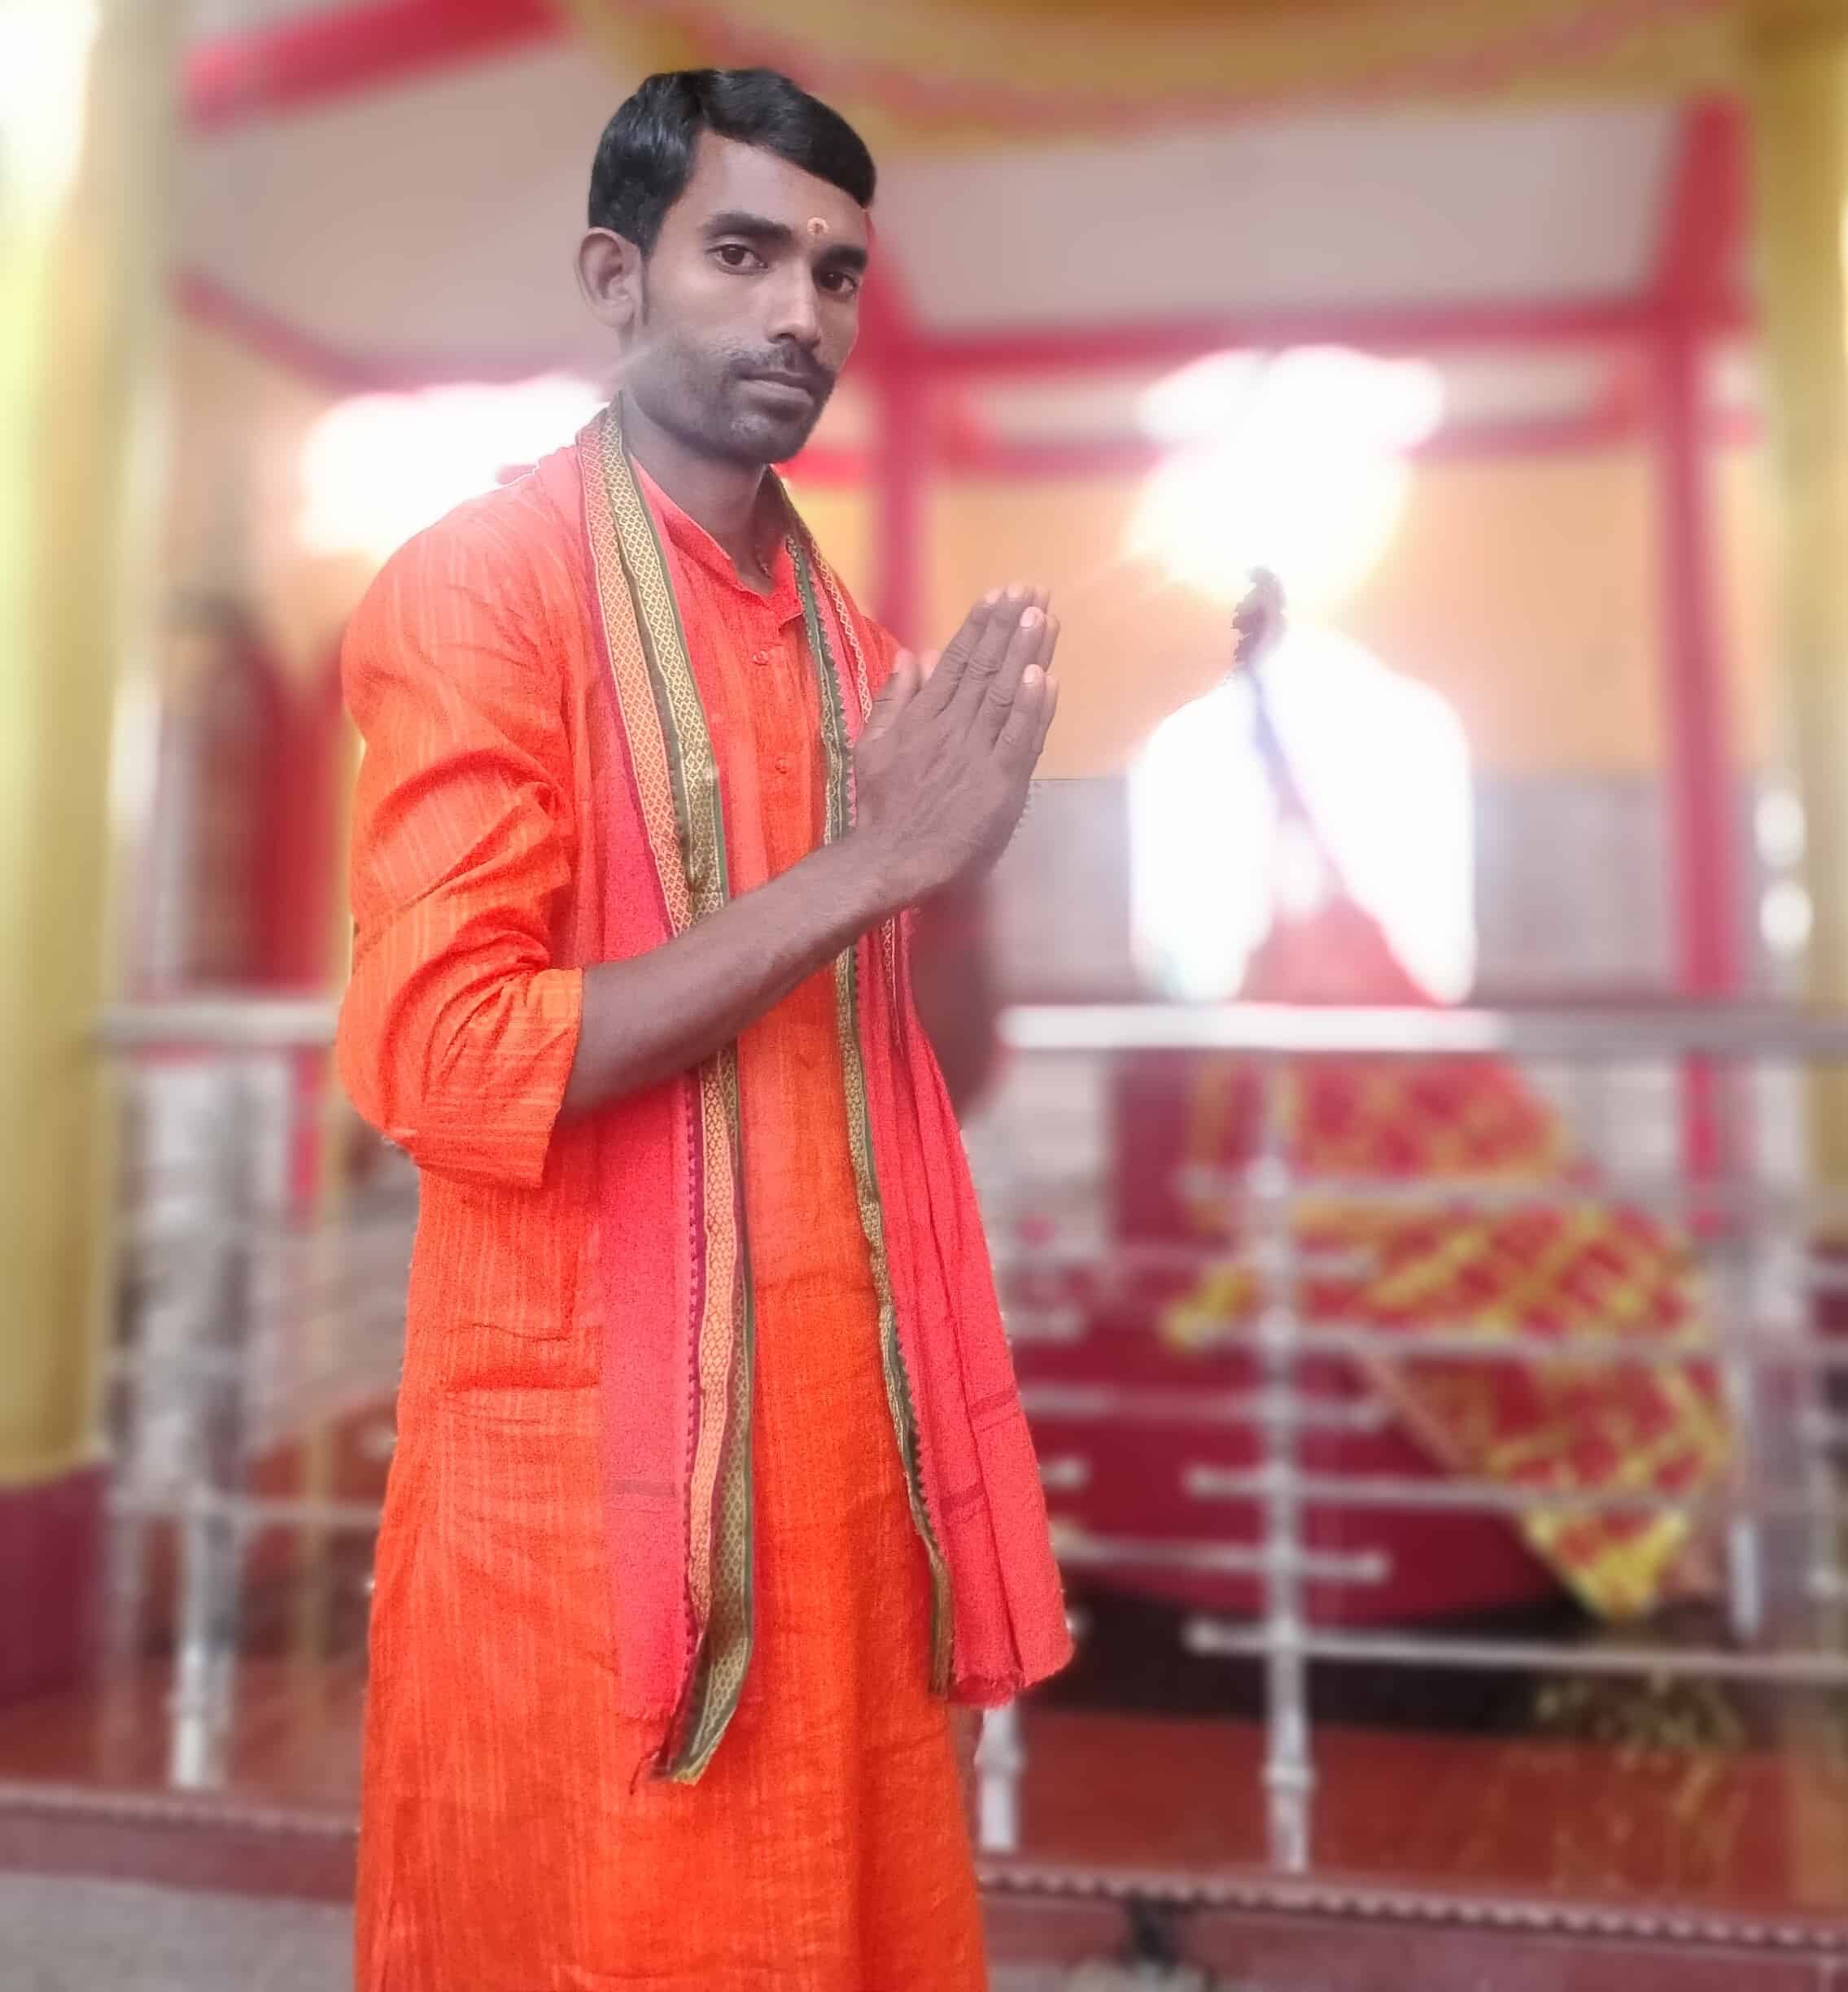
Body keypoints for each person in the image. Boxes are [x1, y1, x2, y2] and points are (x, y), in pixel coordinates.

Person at [335, 68, 1072, 1990]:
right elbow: (451, 1059)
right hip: (588, 1492)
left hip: (849, 1473)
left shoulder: (859, 657)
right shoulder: (484, 590)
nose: (798, 313)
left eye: (834, 272)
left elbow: (939, 1070)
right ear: (616, 274)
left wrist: (961, 862)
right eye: (740, 253)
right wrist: (867, 864)